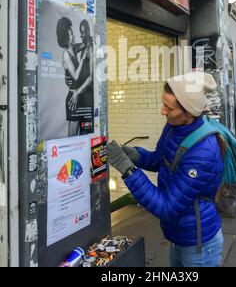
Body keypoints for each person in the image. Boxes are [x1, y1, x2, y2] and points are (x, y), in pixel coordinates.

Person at [107, 72, 224, 267]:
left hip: (200, 245)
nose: (162, 111)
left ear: (189, 111)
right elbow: (160, 160)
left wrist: (128, 169)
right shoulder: (173, 127)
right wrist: (134, 154)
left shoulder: (203, 151)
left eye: (169, 108)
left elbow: (167, 207)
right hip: (178, 235)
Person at [56, 17, 88, 137]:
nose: (73, 35)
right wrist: (83, 60)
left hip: (78, 96)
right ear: (65, 38)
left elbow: (85, 43)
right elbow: (75, 76)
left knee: (77, 133)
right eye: (70, 34)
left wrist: (87, 35)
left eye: (72, 32)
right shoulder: (66, 55)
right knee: (72, 135)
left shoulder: (74, 48)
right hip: (72, 99)